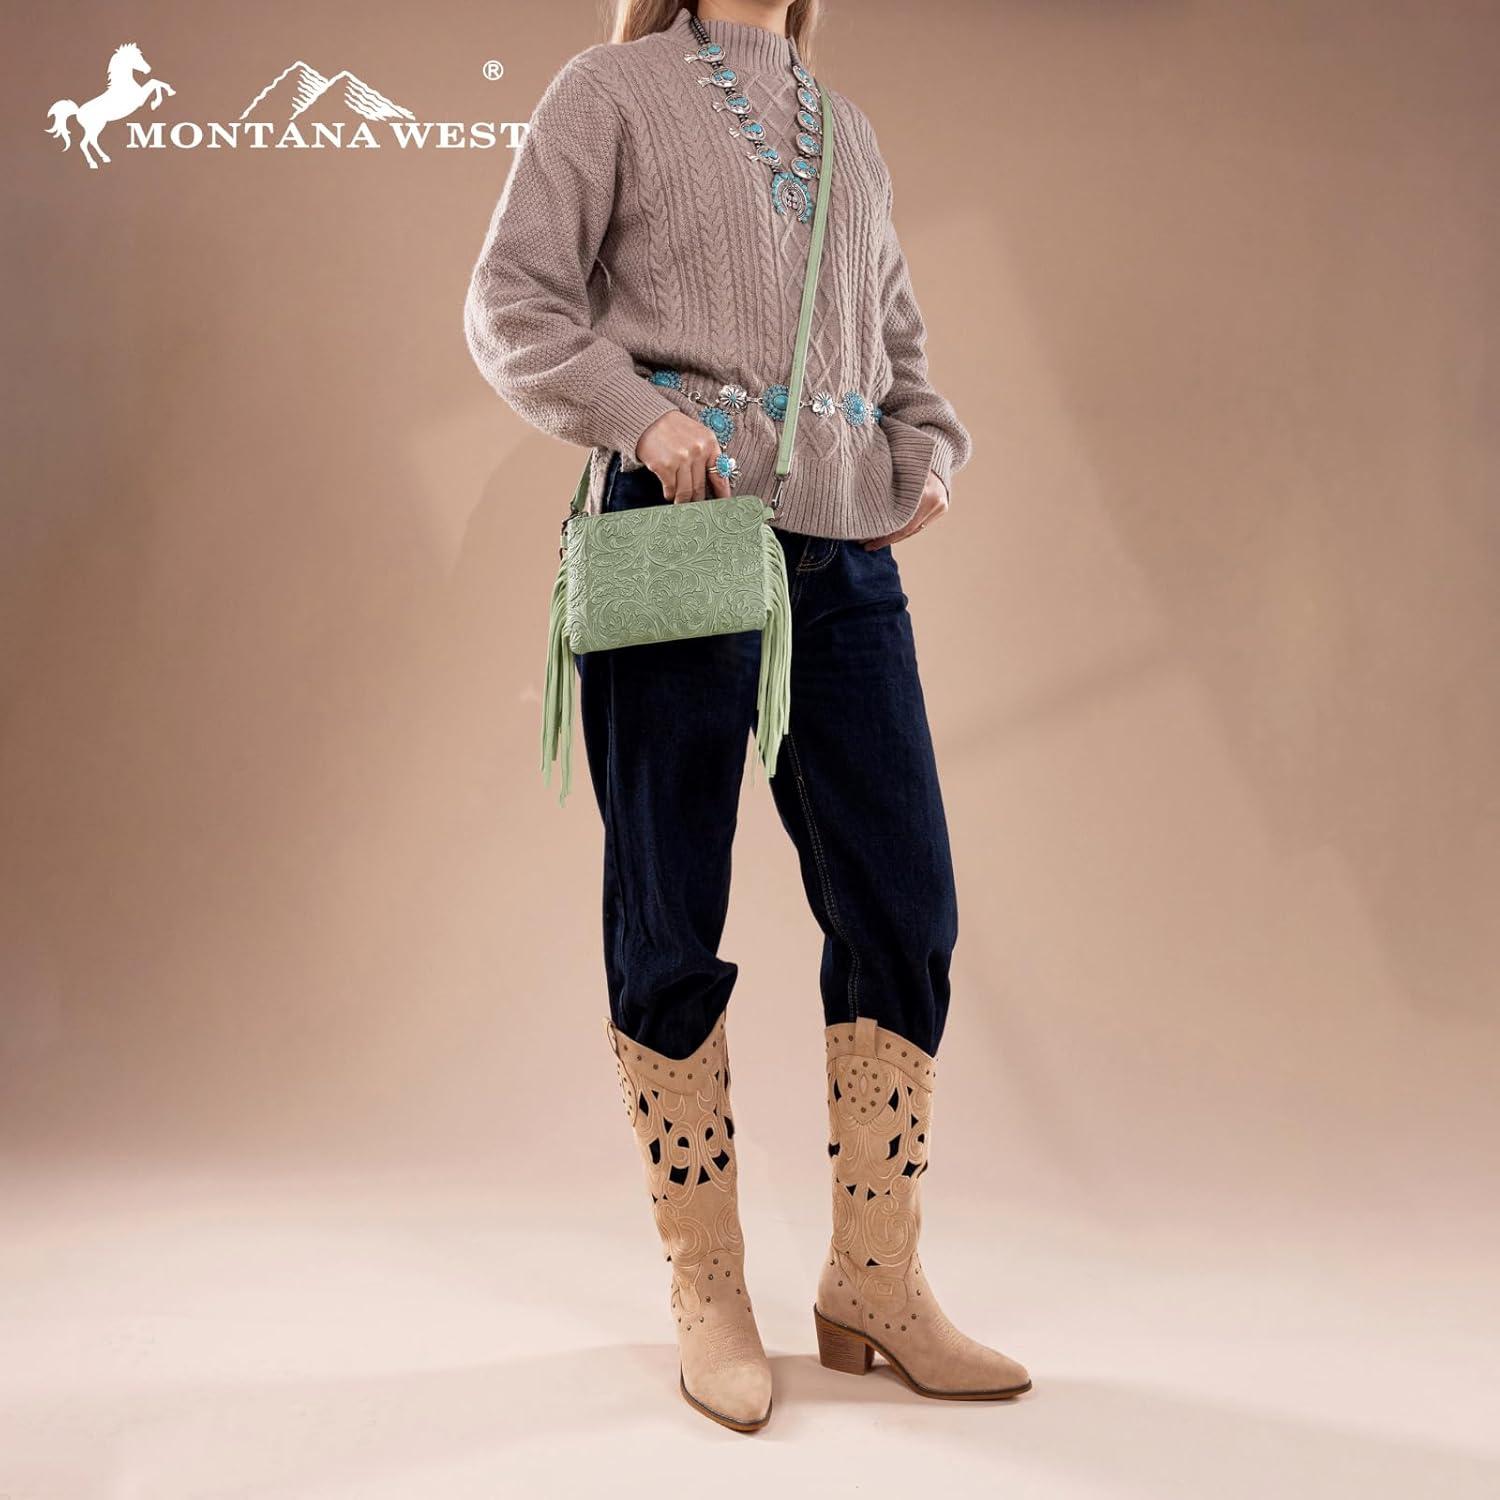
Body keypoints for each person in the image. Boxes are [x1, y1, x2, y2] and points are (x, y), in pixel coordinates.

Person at [463, 0, 1030, 1432]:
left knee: (906, 904)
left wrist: (926, 459)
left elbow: (901, 353)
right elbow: (513, 302)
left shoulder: (849, 131)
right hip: (678, 534)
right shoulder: (609, 90)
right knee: (669, 909)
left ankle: (875, 1281)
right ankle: (707, 1287)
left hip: (841, 561)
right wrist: (641, 419)